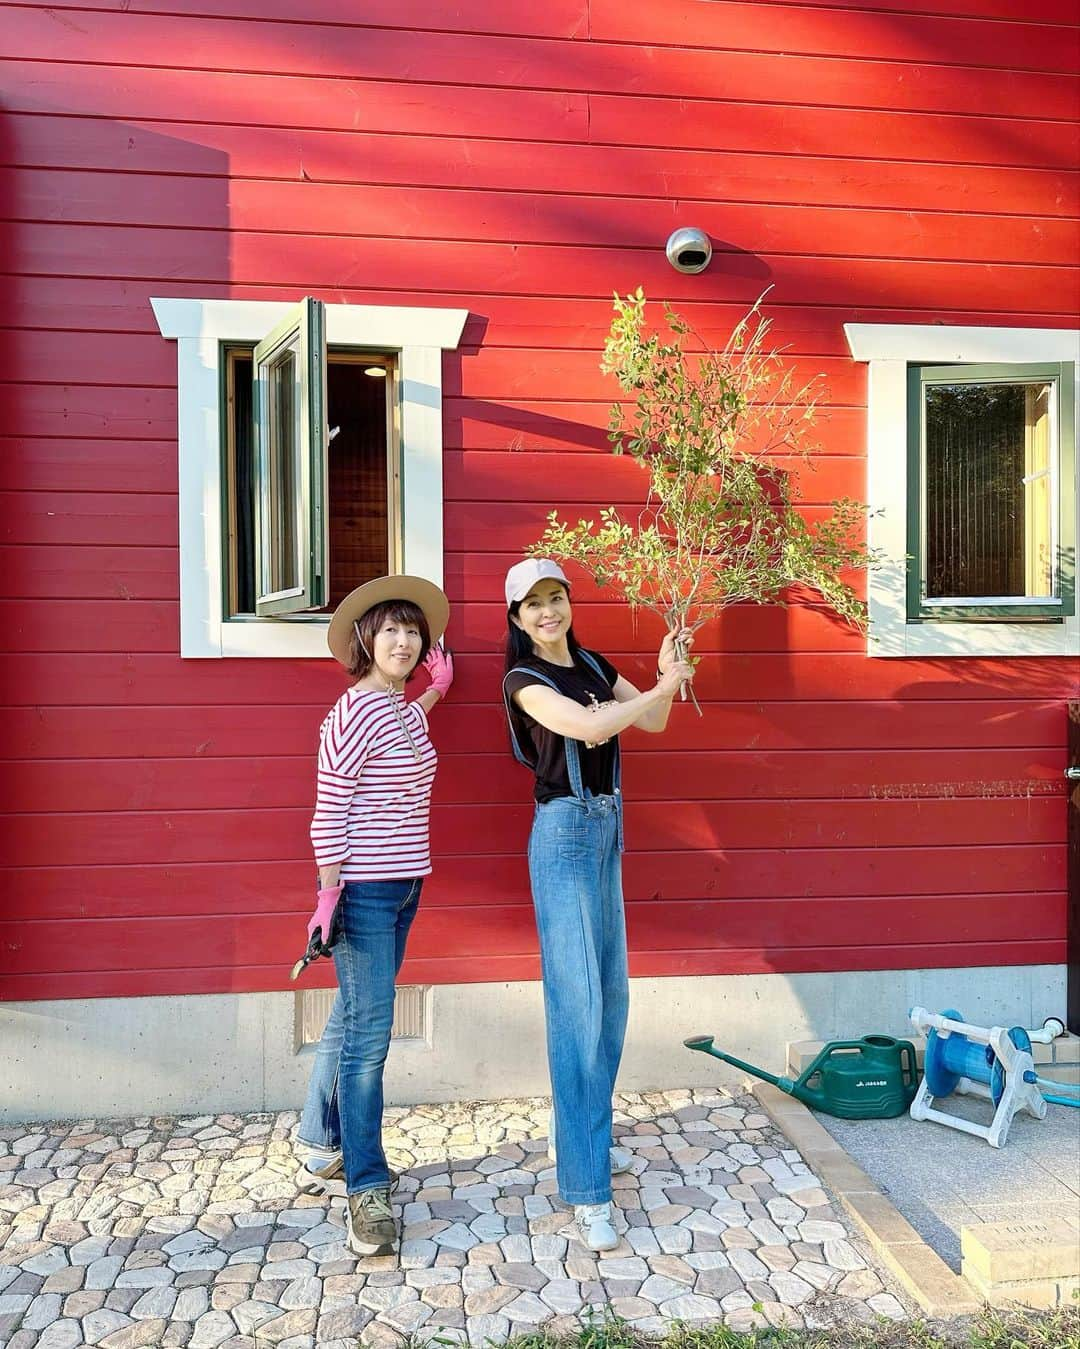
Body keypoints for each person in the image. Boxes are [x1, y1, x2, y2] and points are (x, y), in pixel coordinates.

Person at [501, 558, 694, 1251]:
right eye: (533, 605)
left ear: (567, 602)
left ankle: (582, 1137)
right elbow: (589, 729)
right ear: (518, 618)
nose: (547, 612)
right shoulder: (524, 680)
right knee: (579, 1004)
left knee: (611, 998)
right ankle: (586, 1190)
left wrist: (665, 671)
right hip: (564, 834)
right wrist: (657, 690)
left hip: (607, 824)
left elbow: (657, 721)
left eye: (556, 598)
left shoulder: (590, 660)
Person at [296, 575, 453, 1257]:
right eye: (389, 628)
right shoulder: (351, 711)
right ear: (365, 639)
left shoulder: (402, 709)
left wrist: (437, 689)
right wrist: (328, 895)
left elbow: (410, 732)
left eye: (412, 630)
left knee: (351, 1014)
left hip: (405, 885)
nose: (403, 639)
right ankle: (365, 1187)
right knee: (369, 1037)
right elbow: (329, 809)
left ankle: (314, 1139)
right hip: (361, 890)